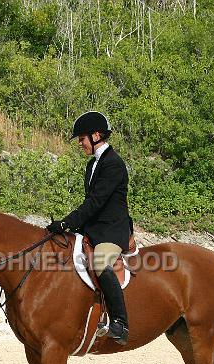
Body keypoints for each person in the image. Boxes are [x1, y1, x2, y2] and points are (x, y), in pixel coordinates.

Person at [46, 111, 131, 345]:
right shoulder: (92, 165)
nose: (80, 144)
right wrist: (68, 229)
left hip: (112, 230)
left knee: (100, 261)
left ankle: (120, 322)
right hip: (93, 229)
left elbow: (95, 203)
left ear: (96, 135)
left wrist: (67, 222)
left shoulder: (113, 163)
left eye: (82, 139)